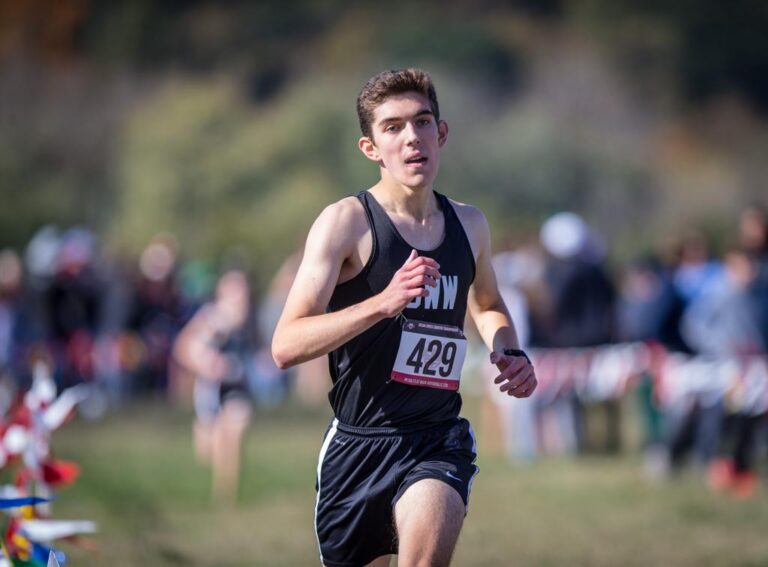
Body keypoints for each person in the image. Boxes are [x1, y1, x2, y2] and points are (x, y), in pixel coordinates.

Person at [271, 68, 537, 567]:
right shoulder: (345, 222)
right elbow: (286, 344)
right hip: (358, 445)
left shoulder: (469, 223)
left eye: (422, 122)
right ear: (370, 148)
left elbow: (487, 303)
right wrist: (381, 302)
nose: (412, 137)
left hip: (436, 437)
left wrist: (508, 349)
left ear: (442, 133)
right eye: (392, 127)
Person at [173, 269, 253, 505]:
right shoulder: (212, 317)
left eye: (243, 290)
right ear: (222, 293)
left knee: (236, 429)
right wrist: (209, 364)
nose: (241, 296)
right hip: (211, 387)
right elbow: (183, 347)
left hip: (237, 386)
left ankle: (226, 496)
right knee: (209, 450)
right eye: (235, 290)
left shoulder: (250, 320)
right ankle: (203, 430)